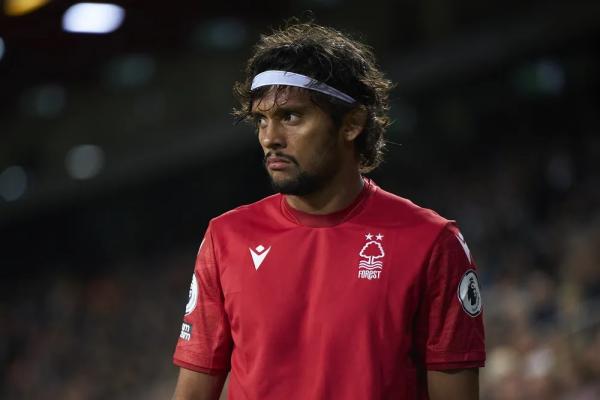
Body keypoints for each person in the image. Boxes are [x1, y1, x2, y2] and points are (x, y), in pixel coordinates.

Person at [171, 21, 485, 400]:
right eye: (261, 120)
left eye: (291, 116)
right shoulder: (225, 239)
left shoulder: (432, 243)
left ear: (351, 123)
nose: (270, 138)